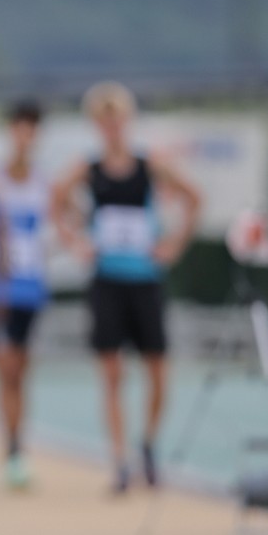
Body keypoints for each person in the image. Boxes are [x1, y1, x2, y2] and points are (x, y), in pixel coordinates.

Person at [51, 83, 200, 493]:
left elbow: (194, 197)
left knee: (158, 371)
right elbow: (57, 198)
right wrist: (75, 241)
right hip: (108, 280)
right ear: (97, 125)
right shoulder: (90, 167)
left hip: (145, 279)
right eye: (105, 121)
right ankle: (119, 461)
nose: (112, 127)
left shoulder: (149, 164)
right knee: (112, 373)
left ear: (127, 121)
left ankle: (148, 443)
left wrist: (173, 245)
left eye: (117, 119)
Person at [0, 100, 48, 488]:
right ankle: (11, 448)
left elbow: (65, 217)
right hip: (2, 290)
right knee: (7, 370)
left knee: (21, 371)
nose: (26, 137)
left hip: (32, 289)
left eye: (32, 129)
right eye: (20, 128)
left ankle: (16, 445)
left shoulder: (44, 183)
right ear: (12, 132)